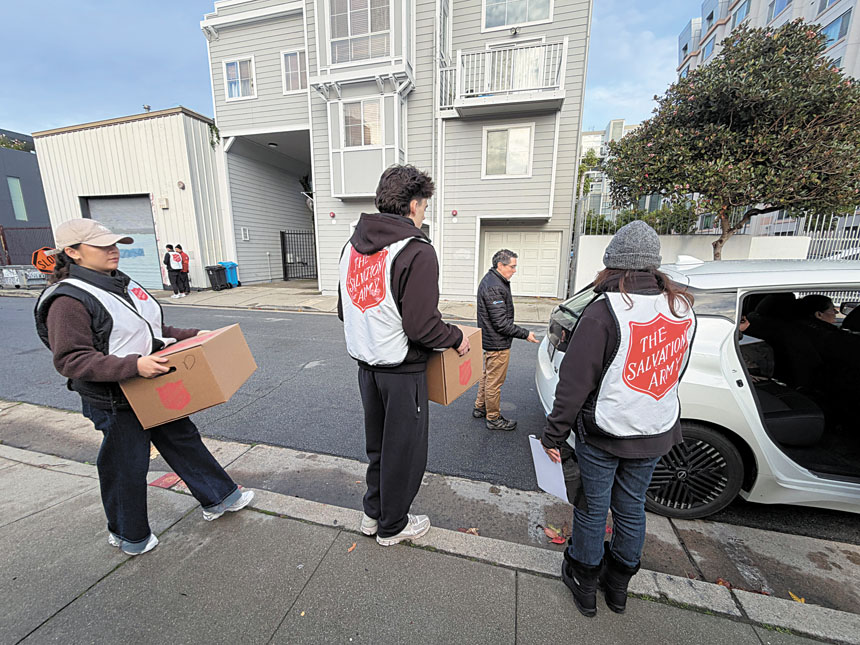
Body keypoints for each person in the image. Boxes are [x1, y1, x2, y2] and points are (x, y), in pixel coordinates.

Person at [34, 219, 254, 556]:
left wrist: (192, 336)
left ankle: (220, 498)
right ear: (73, 252)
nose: (113, 251)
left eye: (114, 244)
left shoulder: (117, 283)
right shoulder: (68, 300)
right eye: (102, 246)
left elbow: (150, 327)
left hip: (151, 384)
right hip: (114, 398)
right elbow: (71, 359)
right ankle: (129, 535)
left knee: (184, 440)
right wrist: (134, 366)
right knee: (126, 464)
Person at [540, 221, 696, 618]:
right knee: (631, 508)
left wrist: (553, 435)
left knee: (593, 508)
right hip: (655, 427)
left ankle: (584, 581)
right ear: (654, 267)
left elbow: (573, 384)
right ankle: (619, 587)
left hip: (604, 431)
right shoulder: (681, 308)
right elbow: (676, 371)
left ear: (612, 265)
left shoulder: (603, 312)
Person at [338, 165, 469, 547]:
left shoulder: (351, 247)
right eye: (424, 207)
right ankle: (393, 525)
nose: (424, 214)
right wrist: (456, 336)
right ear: (413, 205)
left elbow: (345, 309)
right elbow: (423, 328)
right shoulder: (415, 250)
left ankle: (373, 512)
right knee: (405, 453)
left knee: (379, 447)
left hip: (366, 366)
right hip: (402, 368)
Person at [473, 249, 539, 430]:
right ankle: (493, 418)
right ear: (500, 265)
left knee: (487, 376)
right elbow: (501, 323)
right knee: (494, 382)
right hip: (497, 343)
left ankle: (480, 407)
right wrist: (525, 334)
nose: (514, 270)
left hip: (490, 340)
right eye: (512, 266)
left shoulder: (493, 280)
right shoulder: (495, 286)